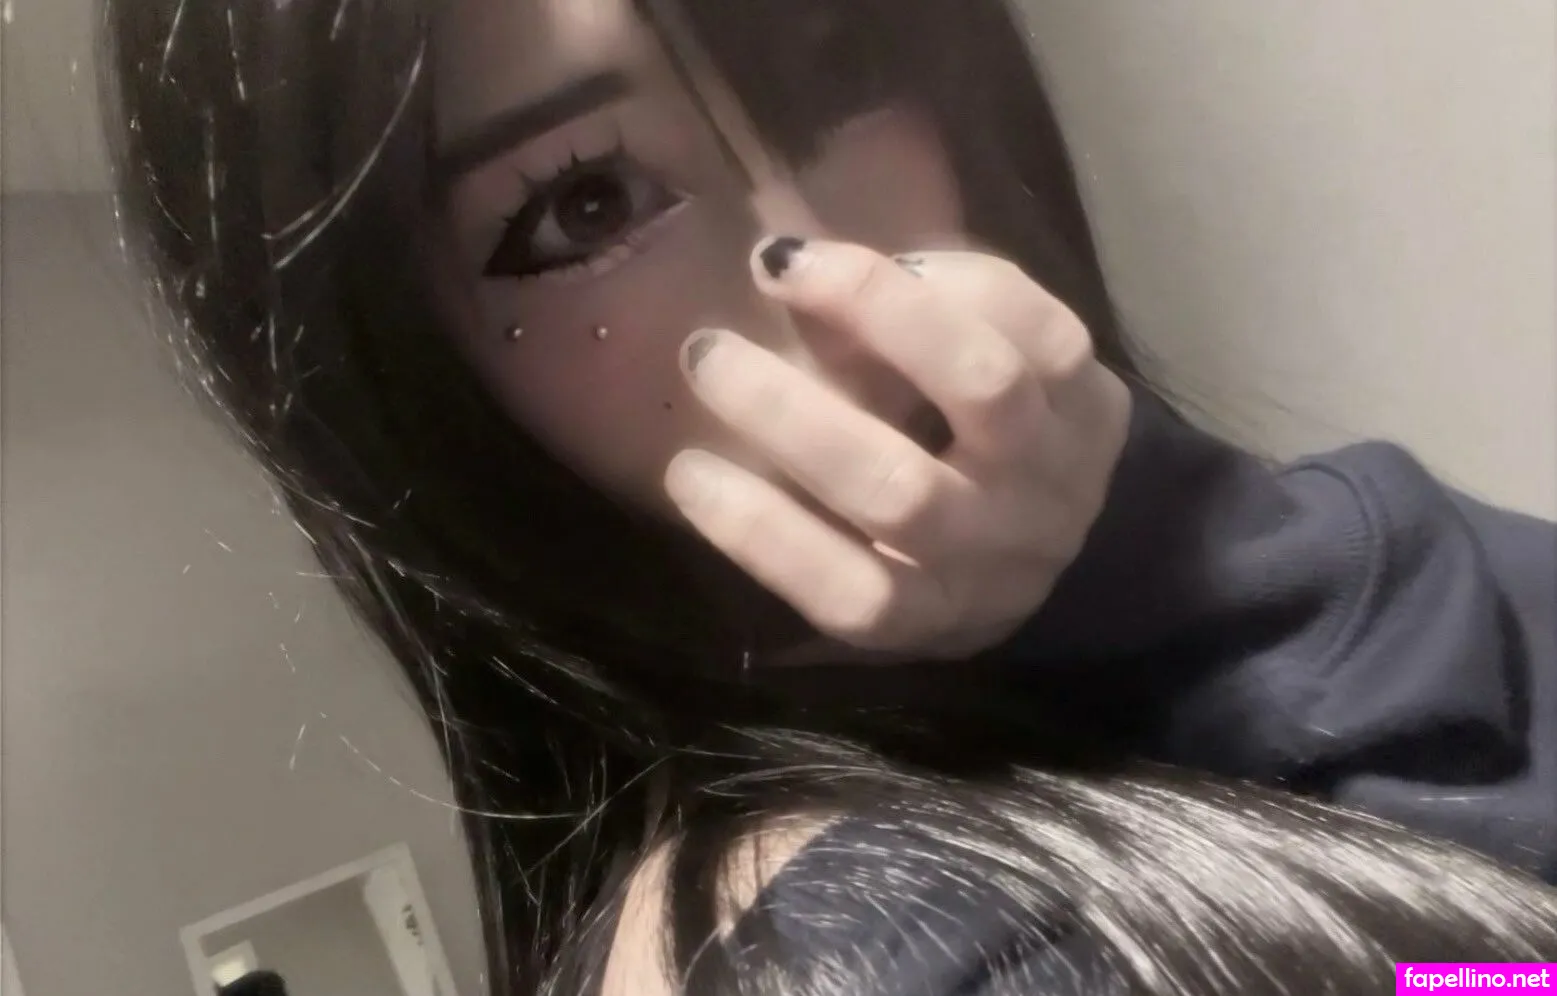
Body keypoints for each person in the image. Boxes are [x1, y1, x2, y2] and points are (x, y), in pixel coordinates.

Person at [101, 0, 1556, 992]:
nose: (839, 274)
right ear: (408, 385)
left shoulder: (1160, 638)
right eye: (584, 206)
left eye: (839, 54)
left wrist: (1171, 549)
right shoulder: (909, 951)